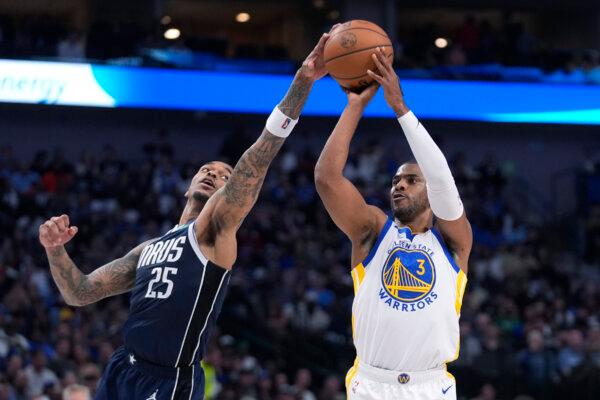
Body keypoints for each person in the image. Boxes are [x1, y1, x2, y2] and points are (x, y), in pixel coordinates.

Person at [38, 32, 333, 400]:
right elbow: (79, 293)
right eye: (206, 169)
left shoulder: (212, 231)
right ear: (186, 185)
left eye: (224, 175)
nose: (213, 174)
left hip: (169, 380)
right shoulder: (148, 249)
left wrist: (302, 82)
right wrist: (54, 249)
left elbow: (258, 158)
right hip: (122, 368)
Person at [314, 47, 473, 400]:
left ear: (430, 190)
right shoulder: (374, 229)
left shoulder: (453, 242)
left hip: (431, 386)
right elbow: (326, 178)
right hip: (372, 383)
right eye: (395, 181)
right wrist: (355, 106)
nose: (399, 185)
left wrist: (401, 109)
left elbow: (444, 183)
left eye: (411, 180)